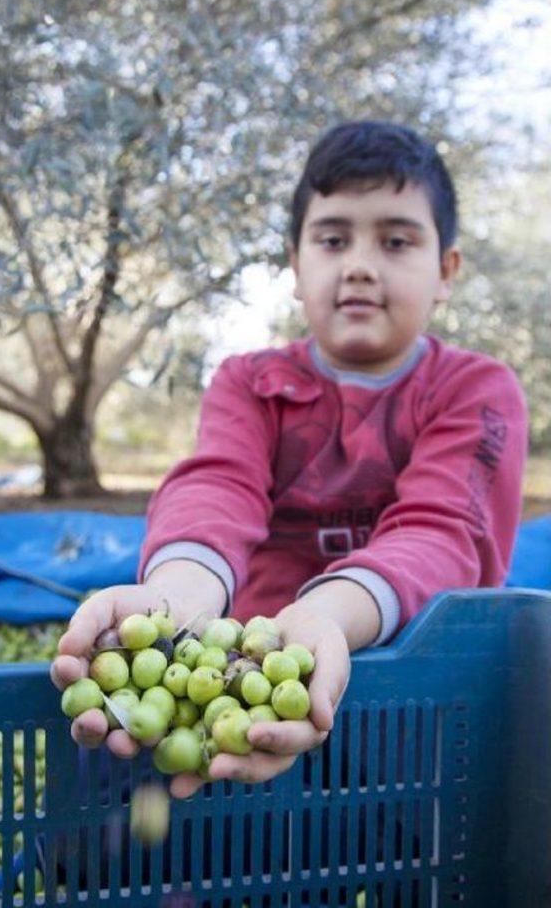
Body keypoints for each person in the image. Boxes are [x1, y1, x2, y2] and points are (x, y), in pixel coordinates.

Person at [51, 119, 528, 801]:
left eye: (396, 240)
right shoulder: (251, 382)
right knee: (124, 794)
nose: (360, 264)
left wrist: (326, 620)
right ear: (296, 266)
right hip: (246, 693)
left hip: (411, 708)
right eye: (333, 239)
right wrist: (176, 596)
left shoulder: (475, 391)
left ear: (446, 270)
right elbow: (218, 487)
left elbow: (442, 531)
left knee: (393, 844)